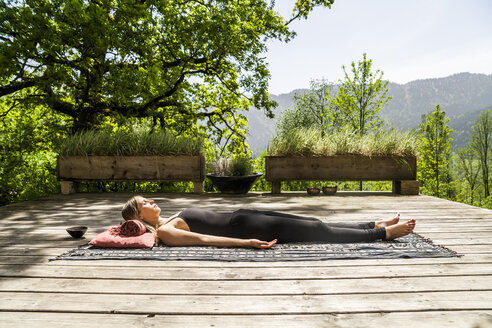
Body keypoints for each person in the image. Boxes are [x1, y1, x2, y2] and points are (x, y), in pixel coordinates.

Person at [121, 195, 416, 249]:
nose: (151, 201)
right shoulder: (167, 232)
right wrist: (246, 243)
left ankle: (371, 225)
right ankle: (382, 235)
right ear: (138, 216)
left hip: (245, 216)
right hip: (250, 229)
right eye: (144, 203)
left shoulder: (170, 218)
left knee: (313, 221)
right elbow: (205, 240)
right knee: (318, 232)